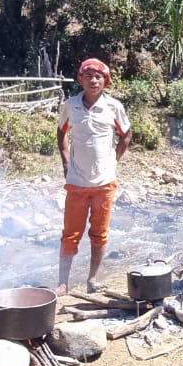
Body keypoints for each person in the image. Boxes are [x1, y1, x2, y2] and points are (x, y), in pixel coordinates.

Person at [56, 58, 132, 296]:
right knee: (70, 233)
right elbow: (61, 133)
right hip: (77, 182)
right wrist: (66, 161)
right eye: (88, 76)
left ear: (106, 81)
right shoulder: (70, 105)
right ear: (80, 79)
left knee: (99, 232)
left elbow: (126, 135)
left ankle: (92, 279)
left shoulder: (114, 107)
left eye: (98, 77)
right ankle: (62, 284)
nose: (94, 80)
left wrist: (113, 161)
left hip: (104, 183)